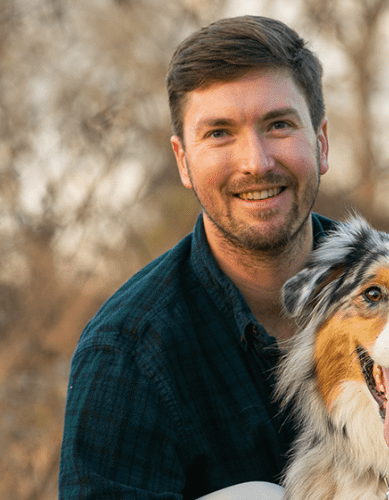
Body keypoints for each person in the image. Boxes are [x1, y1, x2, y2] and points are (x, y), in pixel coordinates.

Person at [59, 15, 333, 499]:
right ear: (183, 160)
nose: (256, 162)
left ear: (321, 142)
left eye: (279, 124)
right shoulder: (127, 356)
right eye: (219, 134)